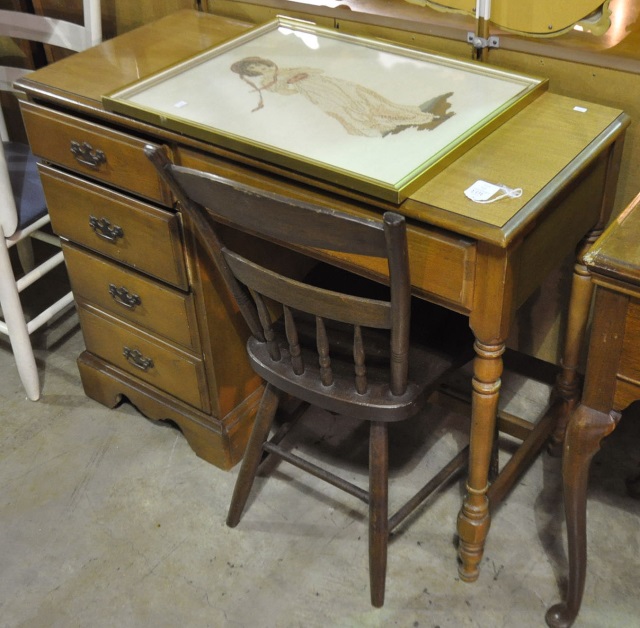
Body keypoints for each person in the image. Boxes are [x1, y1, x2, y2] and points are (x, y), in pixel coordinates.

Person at [230, 56, 454, 137]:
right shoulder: (266, 82)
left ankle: (416, 116)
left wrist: (300, 74)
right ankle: (413, 121)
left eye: (260, 64)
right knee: (356, 111)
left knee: (370, 101)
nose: (261, 68)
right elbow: (285, 92)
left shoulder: (284, 68)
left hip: (329, 84)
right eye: (255, 69)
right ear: (252, 73)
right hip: (318, 94)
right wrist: (290, 84)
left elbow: (316, 70)